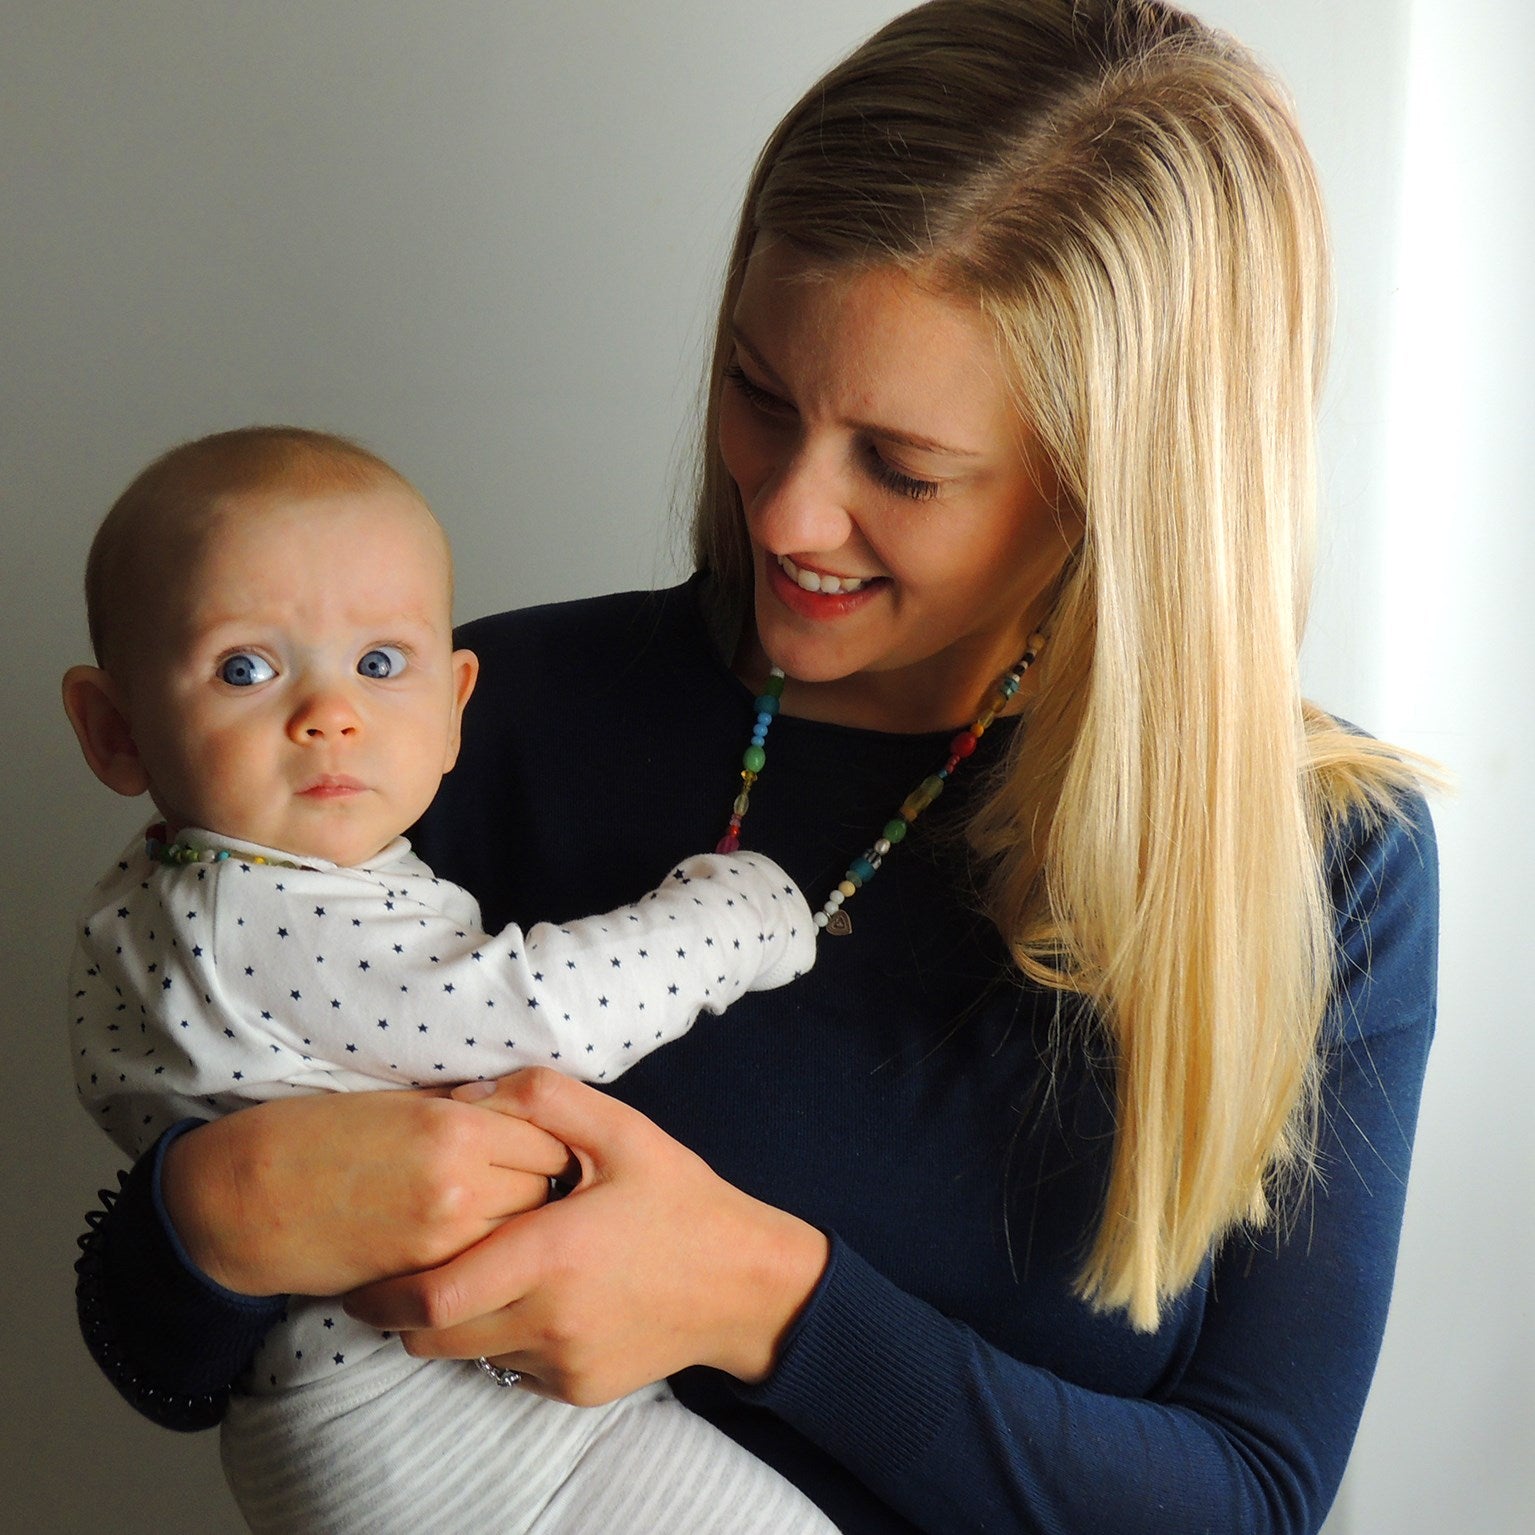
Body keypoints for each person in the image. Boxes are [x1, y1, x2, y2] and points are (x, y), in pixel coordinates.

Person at [70, 3, 1439, 1532]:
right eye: (759, 392)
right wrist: (218, 1214)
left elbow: (1249, 1502)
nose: (785, 512)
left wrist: (762, 1299)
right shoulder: (464, 707)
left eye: (901, 468)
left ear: (1112, 487)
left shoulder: (1321, 855)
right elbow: (167, 1358)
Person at [62, 426, 832, 1534]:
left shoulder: (149, 903)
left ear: (455, 704)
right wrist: (727, 916)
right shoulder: (258, 905)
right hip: (441, 1422)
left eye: (379, 663)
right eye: (245, 666)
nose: (330, 711)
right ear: (114, 729)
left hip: (385, 1422)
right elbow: (537, 1018)